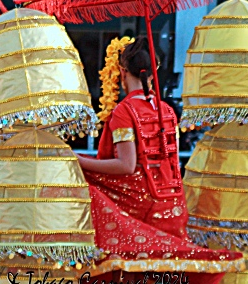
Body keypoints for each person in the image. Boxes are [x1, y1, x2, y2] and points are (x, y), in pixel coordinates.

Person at [78, 38, 187, 238]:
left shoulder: (124, 111)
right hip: (174, 203)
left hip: (140, 205)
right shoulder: (167, 111)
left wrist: (79, 162)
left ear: (123, 72)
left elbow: (126, 166)